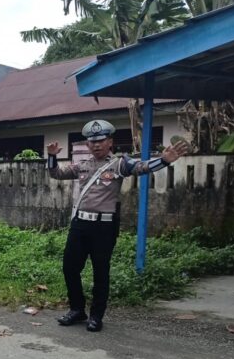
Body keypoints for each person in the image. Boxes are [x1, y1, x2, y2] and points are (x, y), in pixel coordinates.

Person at [46, 120, 190, 332]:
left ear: (110, 142)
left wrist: (164, 161)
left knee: (100, 272)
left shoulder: (119, 164)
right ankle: (77, 309)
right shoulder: (83, 165)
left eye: (101, 141)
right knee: (70, 268)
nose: (96, 145)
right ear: (88, 145)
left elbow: (142, 168)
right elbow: (56, 173)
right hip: (80, 225)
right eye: (92, 142)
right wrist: (51, 156)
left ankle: (96, 316)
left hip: (104, 228)